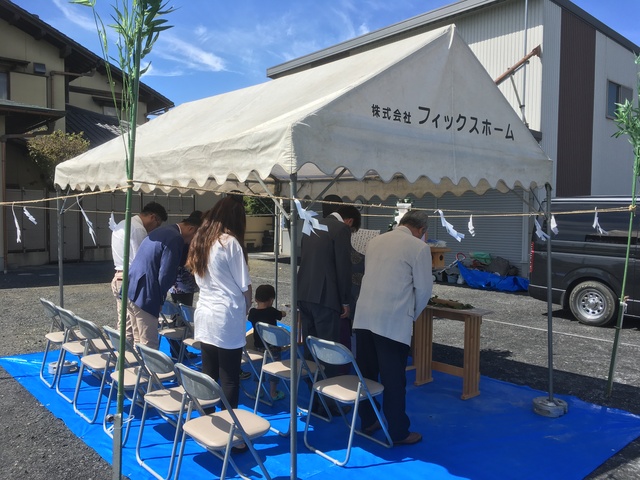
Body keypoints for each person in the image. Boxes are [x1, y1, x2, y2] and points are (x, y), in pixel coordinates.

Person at [352, 209, 433, 446]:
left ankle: (369, 420)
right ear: (421, 230)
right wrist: (411, 315)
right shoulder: (419, 247)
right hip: (392, 321)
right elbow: (424, 290)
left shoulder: (375, 241)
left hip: (364, 316)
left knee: (367, 375)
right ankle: (398, 431)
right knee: (394, 380)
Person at [186, 197, 252, 416]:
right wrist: (247, 307)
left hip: (205, 311)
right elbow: (244, 285)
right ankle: (230, 424)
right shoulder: (229, 242)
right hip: (226, 314)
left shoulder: (201, 239)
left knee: (209, 372)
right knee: (229, 376)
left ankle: (207, 418)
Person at [297, 204, 361, 378]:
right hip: (326, 297)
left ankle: (312, 388)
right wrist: (345, 300)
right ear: (349, 221)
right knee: (327, 349)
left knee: (310, 345)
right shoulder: (341, 229)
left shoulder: (311, 223)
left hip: (304, 293)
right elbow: (343, 267)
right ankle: (328, 391)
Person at [126, 212, 202, 349]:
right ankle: (147, 364)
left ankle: (139, 363)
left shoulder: (163, 231)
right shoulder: (175, 238)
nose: (192, 242)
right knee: (149, 343)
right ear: (191, 229)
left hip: (132, 287)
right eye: (195, 238)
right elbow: (166, 273)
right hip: (146, 293)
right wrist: (160, 298)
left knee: (138, 339)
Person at [111, 201, 168, 343]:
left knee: (125, 326)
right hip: (131, 279)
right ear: (153, 217)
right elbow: (143, 259)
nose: (154, 229)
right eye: (157, 224)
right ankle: (137, 356)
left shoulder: (123, 223)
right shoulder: (138, 229)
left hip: (119, 276)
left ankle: (125, 356)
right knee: (140, 331)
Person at [248, 284, 286, 401]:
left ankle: (258, 390)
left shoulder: (253, 312)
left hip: (258, 346)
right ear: (271, 300)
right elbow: (281, 315)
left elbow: (250, 318)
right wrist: (283, 312)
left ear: (256, 299)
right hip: (273, 347)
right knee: (274, 369)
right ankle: (273, 392)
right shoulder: (272, 311)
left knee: (258, 369)